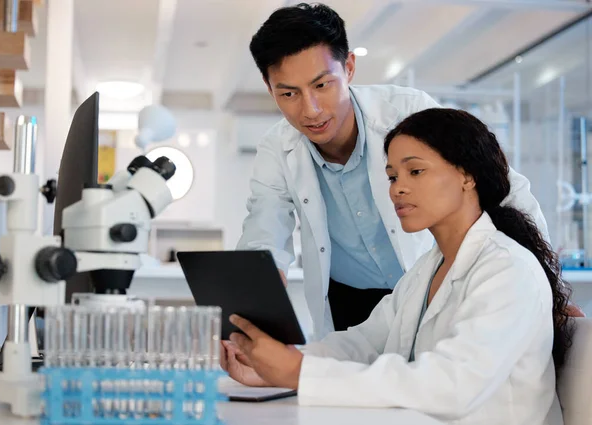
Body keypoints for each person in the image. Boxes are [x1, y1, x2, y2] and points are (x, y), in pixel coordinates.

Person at [222, 108, 573, 425]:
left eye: (415, 171)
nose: (398, 189)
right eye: (392, 177)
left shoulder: (508, 270)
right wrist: (276, 366)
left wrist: (300, 373)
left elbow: (452, 385)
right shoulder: (427, 270)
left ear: (467, 176)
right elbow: (364, 343)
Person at [236, 3, 554, 339]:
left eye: (322, 85)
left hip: (423, 284)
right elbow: (264, 229)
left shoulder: (407, 112)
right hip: (348, 299)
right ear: (269, 87)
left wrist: (547, 287)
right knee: (347, 379)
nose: (310, 109)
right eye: (289, 93)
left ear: (349, 68)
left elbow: (502, 187)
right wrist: (257, 300)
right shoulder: (277, 148)